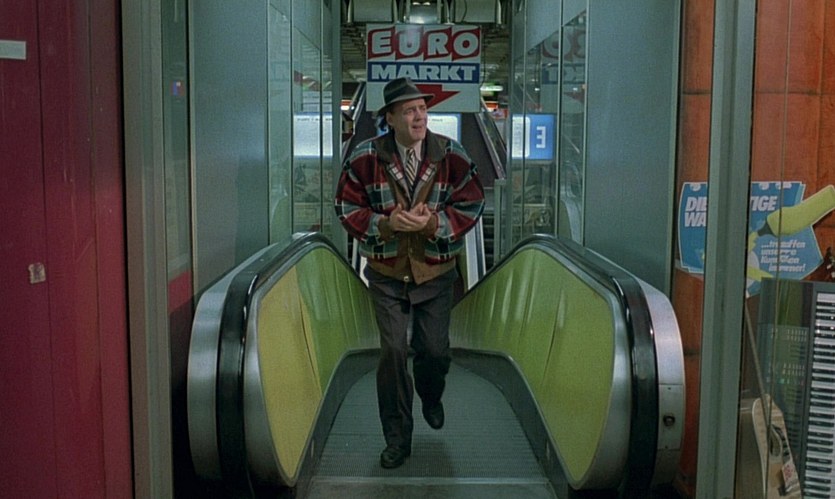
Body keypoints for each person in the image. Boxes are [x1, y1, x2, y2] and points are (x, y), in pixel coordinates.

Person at [334, 77, 485, 469]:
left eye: (422, 109)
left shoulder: (450, 154)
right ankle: (397, 438)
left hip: (436, 274)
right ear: (390, 118)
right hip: (387, 275)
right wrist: (385, 225)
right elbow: (346, 206)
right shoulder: (365, 157)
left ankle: (431, 395)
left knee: (434, 352)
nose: (419, 117)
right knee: (393, 353)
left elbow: (472, 202)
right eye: (409, 111)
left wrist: (433, 223)